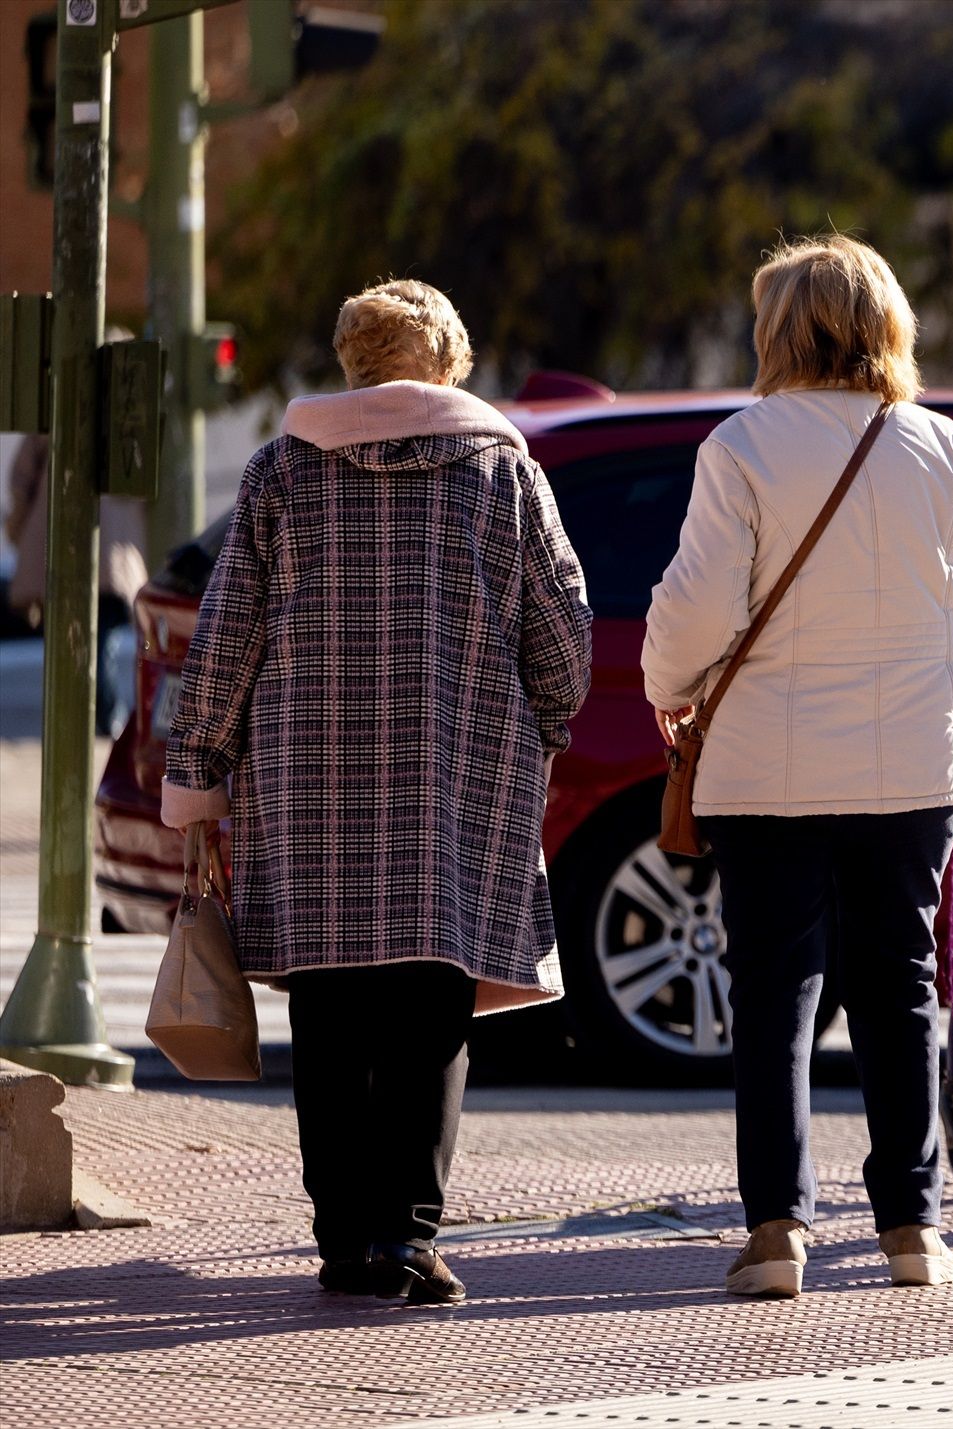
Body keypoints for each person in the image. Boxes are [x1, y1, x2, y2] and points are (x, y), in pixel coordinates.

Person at [162, 280, 592, 1302]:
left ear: (351, 362)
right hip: (459, 781)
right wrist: (541, 726)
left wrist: (198, 776)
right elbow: (563, 636)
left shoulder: (280, 474)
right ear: (449, 363)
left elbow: (226, 642)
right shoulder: (506, 473)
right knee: (432, 1006)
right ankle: (408, 1232)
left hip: (307, 794)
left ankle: (344, 1236)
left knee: (329, 1010)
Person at [643, 236, 953, 1299]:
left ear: (779, 329)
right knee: (900, 989)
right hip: (913, 770)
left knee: (773, 995)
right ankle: (913, 1226)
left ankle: (777, 1232)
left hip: (765, 772)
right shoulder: (943, 448)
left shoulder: (743, 446)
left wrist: (663, 680)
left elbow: (699, 606)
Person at [6, 376, 150, 736]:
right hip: (114, 553)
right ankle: (101, 715)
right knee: (102, 637)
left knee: (75, 639)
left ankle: (90, 716)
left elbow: (20, 481)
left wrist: (17, 529)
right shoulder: (127, 425)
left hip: (64, 546)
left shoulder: (54, 416)